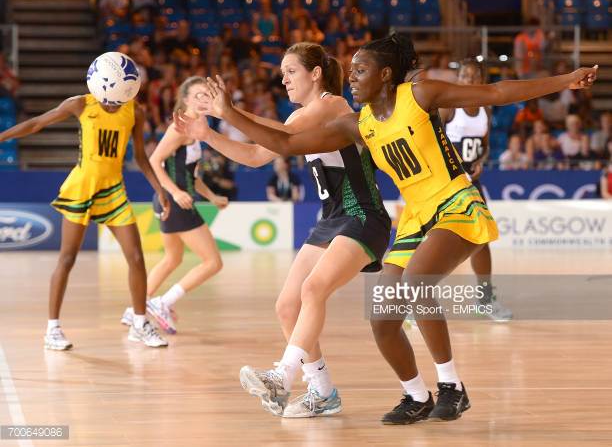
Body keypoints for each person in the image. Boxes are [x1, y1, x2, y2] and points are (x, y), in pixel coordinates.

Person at [176, 33, 597, 424]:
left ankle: (451, 385)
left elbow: (497, 93)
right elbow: (283, 144)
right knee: (383, 316)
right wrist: (225, 116)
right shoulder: (358, 123)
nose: (352, 78)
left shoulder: (420, 94)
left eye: (360, 71)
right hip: (414, 215)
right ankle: (416, 395)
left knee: (416, 282)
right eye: (352, 70)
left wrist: (566, 80)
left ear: (385, 75)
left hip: (454, 202)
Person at [181, 42, 391, 418]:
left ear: (315, 74)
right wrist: (210, 132)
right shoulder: (301, 118)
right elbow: (255, 154)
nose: (283, 79)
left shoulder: (332, 105)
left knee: (313, 288)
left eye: (290, 71)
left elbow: (281, 135)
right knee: (286, 306)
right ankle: (323, 391)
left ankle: (283, 374)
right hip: (332, 220)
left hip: (362, 216)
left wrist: (229, 111)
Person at [0, 92, 172, 349]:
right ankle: (52, 329)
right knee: (67, 259)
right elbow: (37, 123)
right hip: (82, 187)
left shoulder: (134, 111)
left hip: (114, 190)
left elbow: (139, 156)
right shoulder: (80, 103)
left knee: (136, 257)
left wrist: (159, 188)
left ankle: (139, 323)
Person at [121, 77, 228, 334]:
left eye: (207, 94)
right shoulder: (178, 128)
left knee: (172, 258)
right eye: (199, 95)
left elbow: (192, 175)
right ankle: (162, 303)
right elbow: (154, 160)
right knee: (213, 262)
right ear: (186, 100)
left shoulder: (198, 127)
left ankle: (133, 310)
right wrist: (176, 192)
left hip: (169, 200)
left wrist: (212, 197)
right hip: (173, 201)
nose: (205, 99)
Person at [439, 59, 512, 322]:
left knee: (482, 239)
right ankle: (414, 301)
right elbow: (433, 142)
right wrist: (452, 164)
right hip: (446, 183)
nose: (469, 81)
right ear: (458, 80)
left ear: (481, 80)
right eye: (465, 76)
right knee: (428, 243)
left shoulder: (485, 109)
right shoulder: (448, 107)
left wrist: (481, 160)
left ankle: (484, 299)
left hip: (471, 181)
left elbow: (485, 145)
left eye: (474, 77)